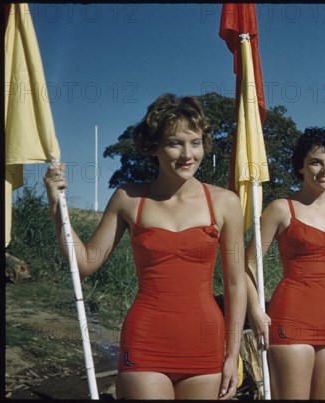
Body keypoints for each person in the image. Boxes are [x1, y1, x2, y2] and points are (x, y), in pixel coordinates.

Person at [43, 94, 247, 399]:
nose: (187, 154)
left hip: (205, 342)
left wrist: (233, 354)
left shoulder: (225, 203)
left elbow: (234, 283)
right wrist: (56, 206)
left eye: (195, 142)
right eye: (174, 143)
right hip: (146, 340)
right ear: (154, 147)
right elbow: (84, 263)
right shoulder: (129, 198)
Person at [245, 127, 325, 399]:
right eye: (316, 162)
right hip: (291, 318)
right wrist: (255, 310)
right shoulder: (280, 208)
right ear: (300, 167)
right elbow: (248, 263)